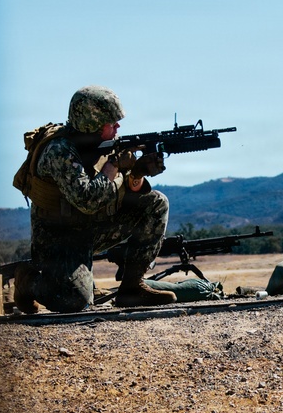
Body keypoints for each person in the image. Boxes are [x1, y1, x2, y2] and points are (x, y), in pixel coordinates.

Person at [12, 85, 179, 313]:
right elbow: (87, 201)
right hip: (58, 239)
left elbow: (125, 190)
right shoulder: (58, 151)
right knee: (75, 300)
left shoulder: (105, 146)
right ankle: (28, 281)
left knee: (156, 203)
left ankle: (131, 289)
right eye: (111, 123)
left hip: (90, 229)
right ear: (92, 123)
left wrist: (137, 173)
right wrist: (114, 167)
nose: (118, 127)